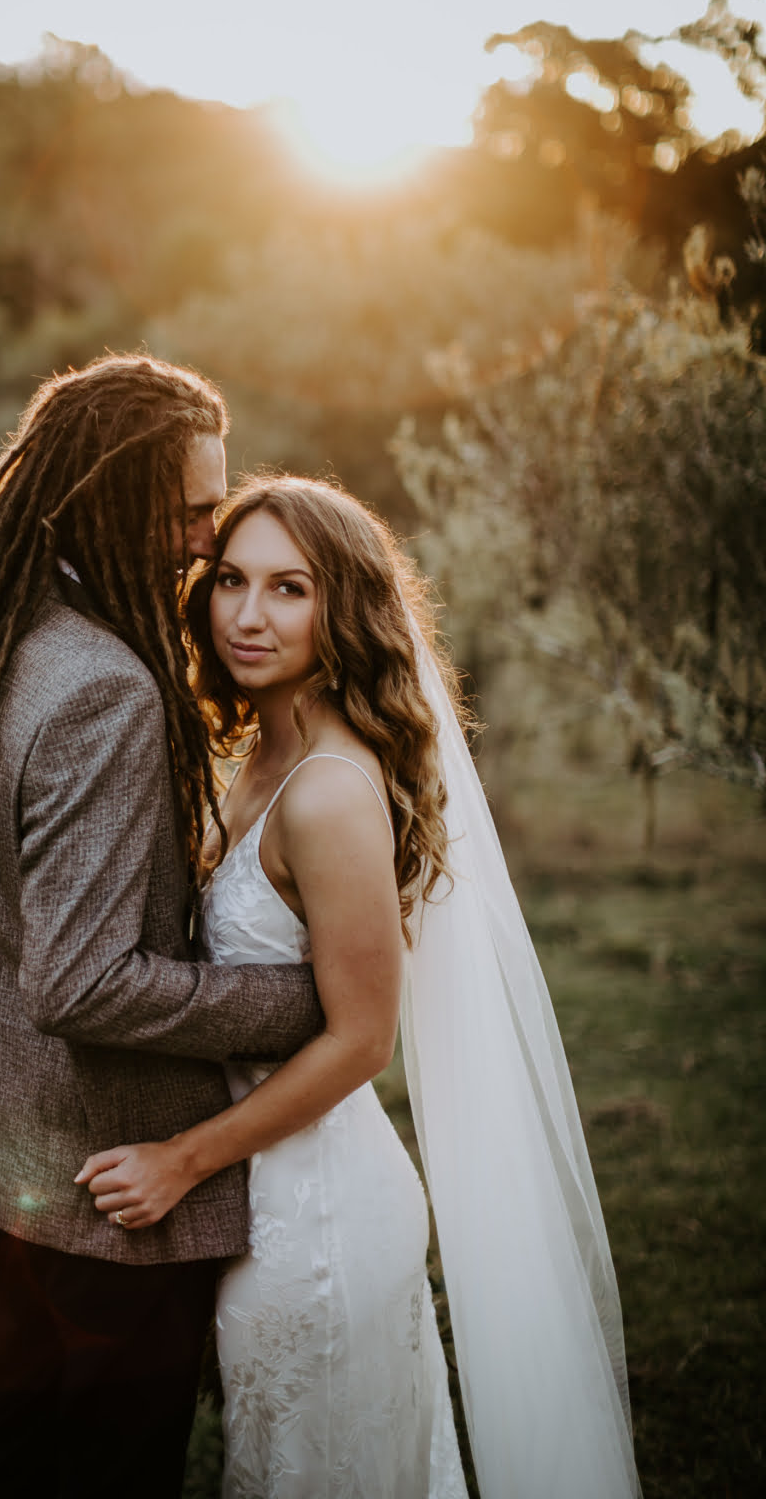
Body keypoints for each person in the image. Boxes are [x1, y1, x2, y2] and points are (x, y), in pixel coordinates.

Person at [78, 475, 643, 1499]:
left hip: (319, 1222)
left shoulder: (329, 791)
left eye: (289, 588)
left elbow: (362, 1040)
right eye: (232, 580)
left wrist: (177, 1162)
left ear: (342, 607)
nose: (248, 615)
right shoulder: (261, 756)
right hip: (262, 1199)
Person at [0, 358, 323, 1499]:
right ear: (108, 497)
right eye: (187, 511)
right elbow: (80, 984)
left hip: (6, 1148)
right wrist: (297, 1002)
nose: (203, 541)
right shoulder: (104, 687)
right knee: (103, 1468)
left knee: (9, 1444)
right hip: (102, 1178)